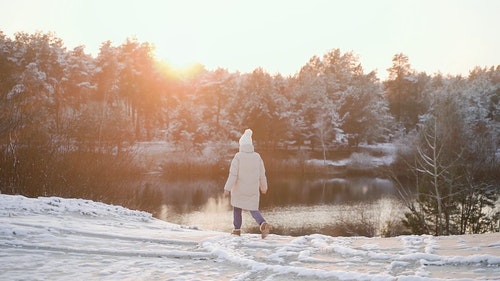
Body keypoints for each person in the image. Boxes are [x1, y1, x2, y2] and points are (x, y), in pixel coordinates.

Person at [224, 129, 271, 239]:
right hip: (252, 189)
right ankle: (262, 223)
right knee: (253, 208)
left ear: (241, 145)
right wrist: (264, 187)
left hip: (239, 189)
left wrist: (227, 188)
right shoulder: (257, 157)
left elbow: (233, 174)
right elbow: (262, 174)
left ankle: (236, 230)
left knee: (237, 208)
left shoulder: (238, 156)